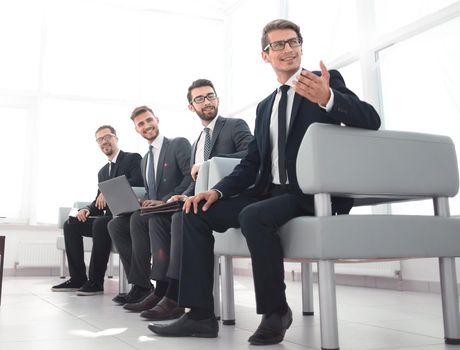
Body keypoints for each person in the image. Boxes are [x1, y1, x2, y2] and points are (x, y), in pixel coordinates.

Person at [148, 19, 381, 345]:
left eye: (293, 42)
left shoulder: (323, 84)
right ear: (265, 55)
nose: (288, 49)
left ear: (301, 46)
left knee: (253, 216)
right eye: (279, 45)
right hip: (268, 192)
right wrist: (216, 190)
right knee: (192, 212)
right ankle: (200, 315)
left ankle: (276, 312)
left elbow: (371, 120)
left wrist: (328, 97)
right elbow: (251, 163)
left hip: (310, 193)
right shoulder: (265, 107)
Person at [122, 79, 253, 320]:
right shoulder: (196, 143)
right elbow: (195, 177)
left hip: (228, 197)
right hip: (199, 198)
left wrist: (209, 163)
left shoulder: (234, 125)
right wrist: (185, 193)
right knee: (156, 220)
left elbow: (251, 154)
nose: (207, 102)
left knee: (180, 217)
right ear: (191, 106)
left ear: (218, 99)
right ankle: (161, 289)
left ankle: (174, 295)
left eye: (210, 96)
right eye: (199, 99)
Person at [108, 106, 192, 306]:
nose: (146, 126)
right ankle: (142, 285)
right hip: (154, 209)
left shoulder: (177, 144)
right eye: (141, 124)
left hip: (174, 206)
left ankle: (149, 288)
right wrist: (141, 201)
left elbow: (191, 176)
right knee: (115, 225)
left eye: (148, 120)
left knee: (139, 219)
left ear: (157, 120)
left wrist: (165, 200)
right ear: (137, 130)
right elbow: (149, 192)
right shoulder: (145, 160)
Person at [52, 125, 143, 295]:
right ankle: (78, 278)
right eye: (100, 139)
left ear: (116, 138)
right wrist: (86, 209)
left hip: (127, 217)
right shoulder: (102, 172)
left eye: (107, 137)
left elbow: (138, 182)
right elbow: (97, 200)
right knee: (71, 224)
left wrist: (108, 193)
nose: (104, 141)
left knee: (101, 223)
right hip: (108, 217)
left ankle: (95, 282)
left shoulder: (132, 159)